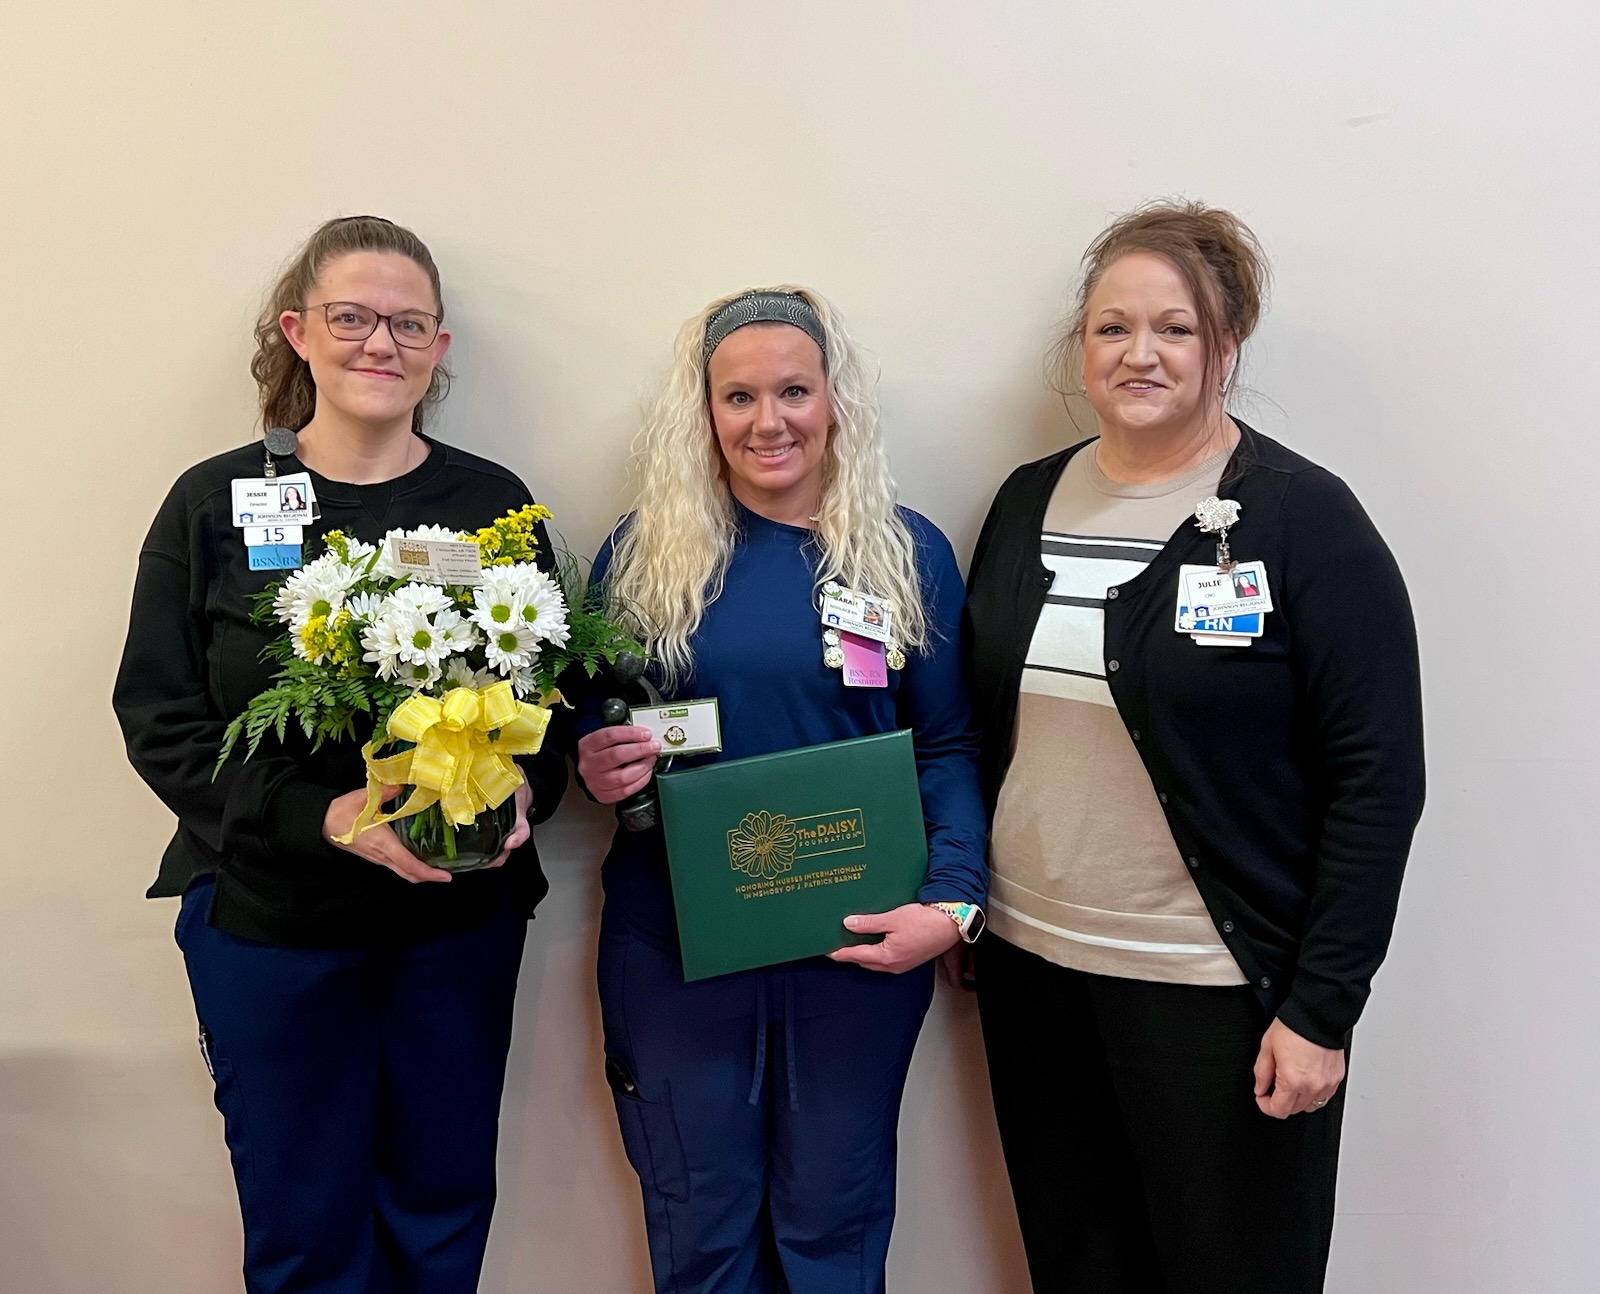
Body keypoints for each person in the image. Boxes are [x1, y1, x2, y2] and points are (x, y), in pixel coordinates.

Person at [964, 202, 1425, 1293]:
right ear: (1081, 345)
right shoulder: (1026, 501)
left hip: (1217, 996)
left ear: (1227, 345)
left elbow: (1377, 780)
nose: (1140, 353)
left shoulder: (1303, 520)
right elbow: (982, 724)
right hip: (1035, 978)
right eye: (1112, 327)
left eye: (1174, 328)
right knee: (1079, 1270)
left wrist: (1321, 1008)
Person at [113, 215, 567, 1294]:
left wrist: (523, 795)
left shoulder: (491, 504)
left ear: (438, 347)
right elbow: (160, 716)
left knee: (440, 1215)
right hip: (272, 926)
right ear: (298, 332)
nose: (380, 343)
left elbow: (556, 697)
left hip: (452, 929)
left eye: (408, 324)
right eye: (352, 316)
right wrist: (316, 815)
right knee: (303, 1228)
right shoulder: (213, 502)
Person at [575, 287, 987, 1294]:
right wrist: (595, 761)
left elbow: (947, 744)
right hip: (675, 944)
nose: (769, 421)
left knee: (834, 1227)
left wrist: (953, 901)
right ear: (704, 411)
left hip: (856, 945)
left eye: (794, 391)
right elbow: (591, 728)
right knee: (700, 1223)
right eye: (740, 396)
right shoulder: (641, 555)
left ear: (834, 399)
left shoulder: (906, 552)